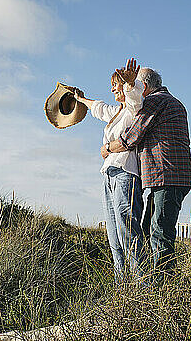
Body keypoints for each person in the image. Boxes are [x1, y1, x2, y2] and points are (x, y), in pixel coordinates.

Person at [102, 59, 191, 276]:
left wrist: (107, 148)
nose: (130, 90)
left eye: (134, 85)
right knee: (150, 230)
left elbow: (130, 137)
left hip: (166, 175)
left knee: (159, 234)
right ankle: (155, 284)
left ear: (143, 87)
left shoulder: (155, 101)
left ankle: (163, 288)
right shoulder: (172, 101)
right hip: (170, 176)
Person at [74, 60, 147, 282]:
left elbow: (135, 97)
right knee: (114, 235)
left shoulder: (135, 109)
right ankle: (121, 286)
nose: (112, 89)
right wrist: (80, 99)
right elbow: (99, 108)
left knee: (127, 229)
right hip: (109, 174)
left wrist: (130, 83)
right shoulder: (118, 112)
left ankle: (140, 285)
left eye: (115, 85)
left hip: (126, 174)